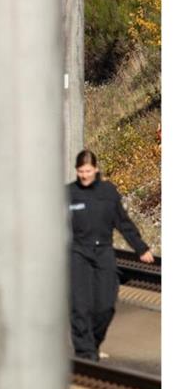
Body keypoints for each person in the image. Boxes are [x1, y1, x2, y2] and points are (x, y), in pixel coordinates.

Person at [68, 149, 155, 362]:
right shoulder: (68, 194)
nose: (84, 176)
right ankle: (85, 353)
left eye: (88, 171)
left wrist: (141, 248)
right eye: (81, 172)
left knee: (105, 305)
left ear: (96, 169)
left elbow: (123, 222)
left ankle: (93, 343)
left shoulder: (108, 192)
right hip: (78, 252)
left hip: (103, 252)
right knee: (80, 306)